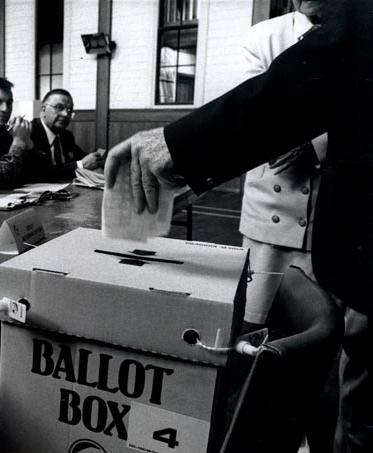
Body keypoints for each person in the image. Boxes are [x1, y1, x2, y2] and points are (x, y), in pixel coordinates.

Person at [104, 1, 371, 451]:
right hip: (286, 217)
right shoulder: (270, 35)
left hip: (343, 231)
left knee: (359, 409)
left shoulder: (353, 25)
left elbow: (315, 79)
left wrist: (179, 146)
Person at [239, 1, 327, 325]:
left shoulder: (360, 33)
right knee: (253, 323)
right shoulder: (263, 36)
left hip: (332, 214)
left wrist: (319, 143)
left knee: (319, 330)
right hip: (269, 209)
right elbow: (254, 112)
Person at [29, 88, 103, 181]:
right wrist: (80, 165)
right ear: (44, 109)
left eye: (69, 109)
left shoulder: (66, 135)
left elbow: (81, 156)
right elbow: (41, 172)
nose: (65, 114)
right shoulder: (29, 132)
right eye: (59, 107)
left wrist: (97, 160)